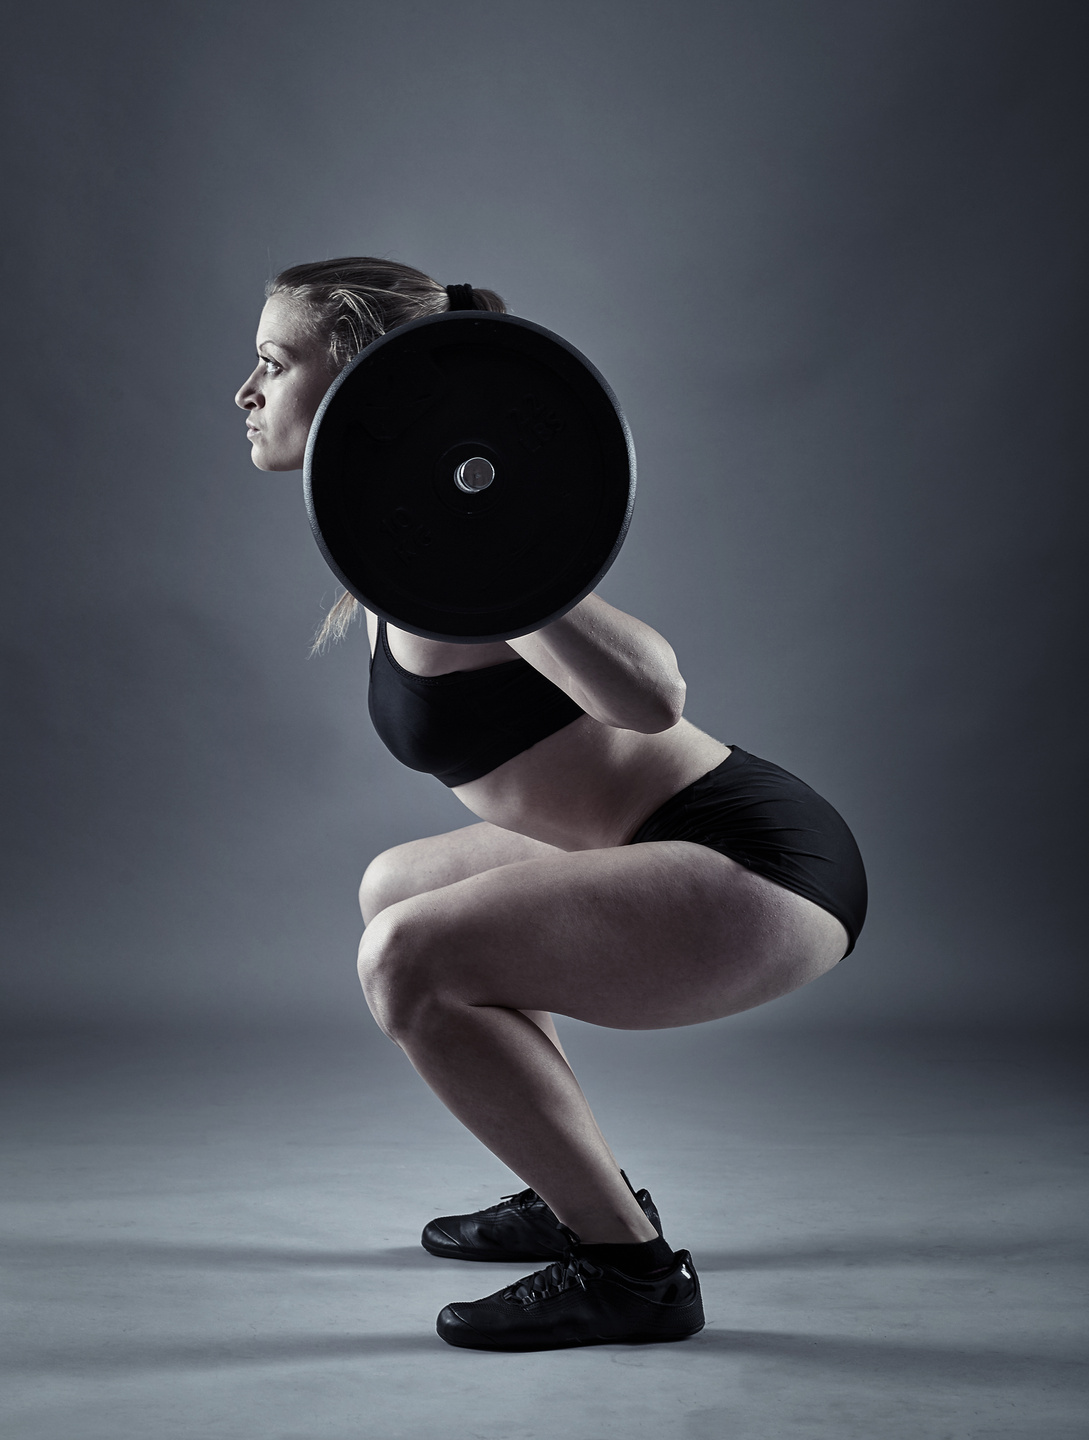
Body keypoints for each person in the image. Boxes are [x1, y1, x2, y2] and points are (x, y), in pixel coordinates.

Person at [235, 257, 867, 1352]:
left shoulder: (473, 554)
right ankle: (574, 1182)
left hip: (752, 863)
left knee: (407, 958)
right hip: (677, 848)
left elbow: (654, 696)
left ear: (359, 383)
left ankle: (630, 1271)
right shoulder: (399, 545)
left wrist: (513, 562)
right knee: (396, 887)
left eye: (273, 362)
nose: (245, 392)